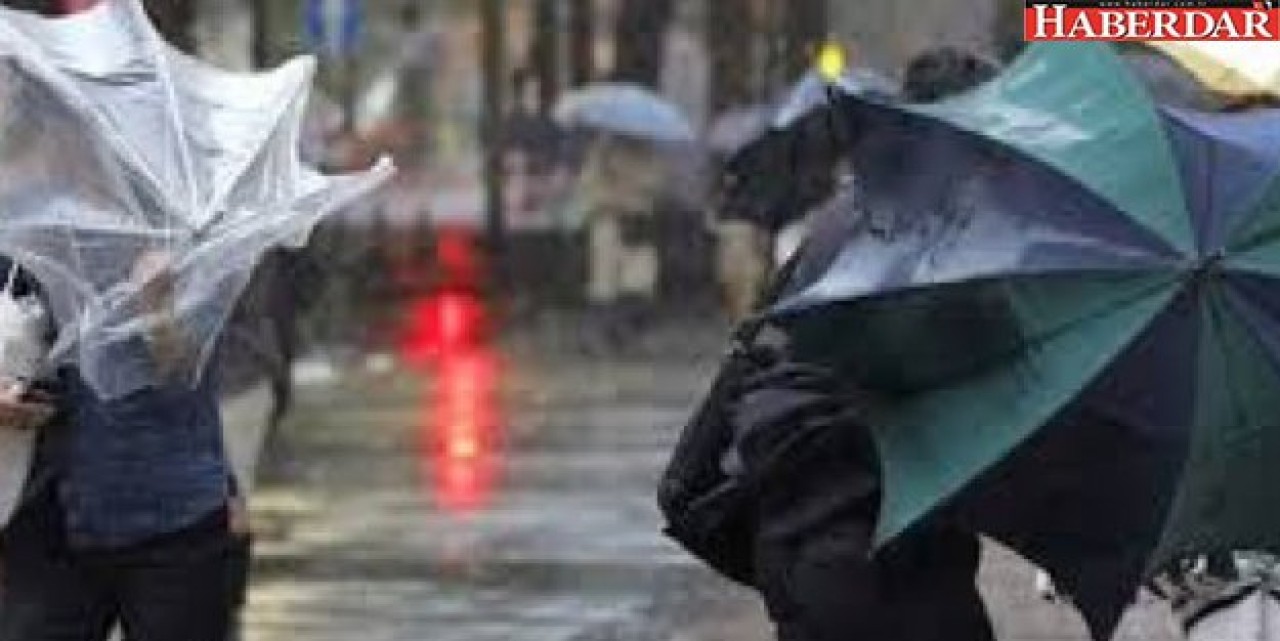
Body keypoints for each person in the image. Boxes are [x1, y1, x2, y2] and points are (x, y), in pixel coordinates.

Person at [0, 251, 244, 641]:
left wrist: (158, 311)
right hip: (42, 512)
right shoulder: (19, 234)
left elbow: (187, 372)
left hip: (170, 511)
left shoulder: (183, 237)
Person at [574, 133, 666, 344]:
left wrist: (635, 190)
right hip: (607, 223)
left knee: (640, 280)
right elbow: (587, 188)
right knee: (604, 281)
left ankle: (628, 330)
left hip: (638, 226)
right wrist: (610, 189)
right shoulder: (600, 153)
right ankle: (598, 331)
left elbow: (656, 187)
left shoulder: (650, 154)